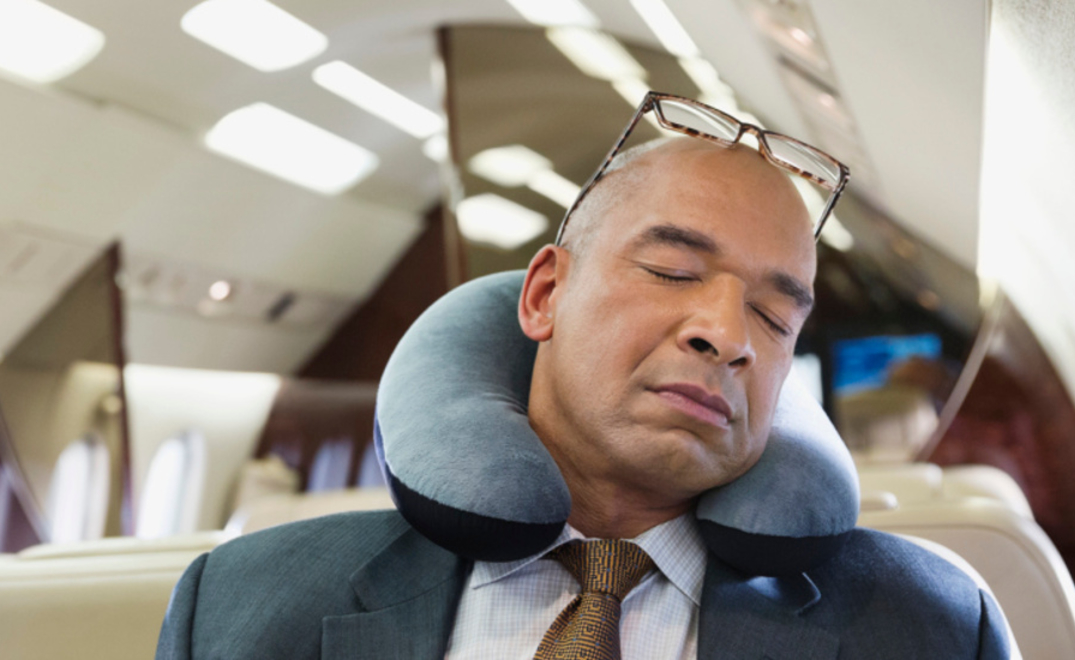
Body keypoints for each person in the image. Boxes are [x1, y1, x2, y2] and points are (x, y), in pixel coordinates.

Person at [156, 97, 1010, 659]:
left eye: (776, 315)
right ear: (545, 294)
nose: (726, 335)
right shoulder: (242, 608)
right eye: (675, 272)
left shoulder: (931, 628)